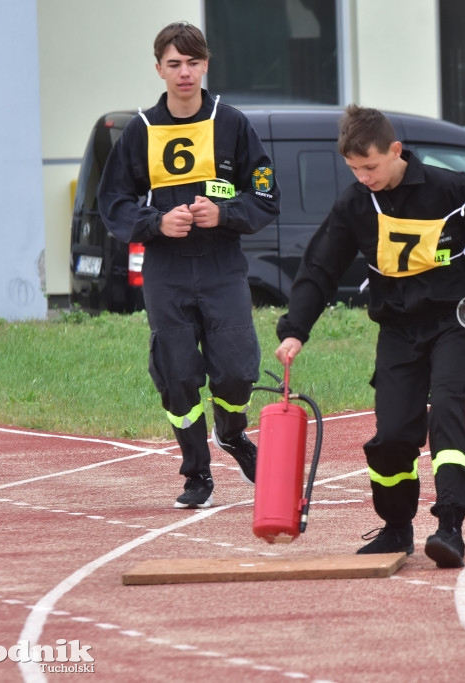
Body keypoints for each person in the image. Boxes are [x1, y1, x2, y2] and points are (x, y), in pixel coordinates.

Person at [275, 104, 465, 568]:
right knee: (393, 434)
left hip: (455, 319)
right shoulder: (355, 204)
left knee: (445, 413)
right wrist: (296, 330)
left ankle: (450, 525)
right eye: (354, 169)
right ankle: (397, 528)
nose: (364, 177)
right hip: (397, 329)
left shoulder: (451, 187)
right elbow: (319, 268)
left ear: (396, 151)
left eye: (371, 166)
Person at [98, 22, 280, 509]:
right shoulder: (140, 130)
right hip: (167, 271)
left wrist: (226, 213)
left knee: (237, 371)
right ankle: (197, 472)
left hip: (222, 267)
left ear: (206, 64)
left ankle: (232, 435)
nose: (184, 73)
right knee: (178, 374)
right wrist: (155, 222)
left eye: (193, 62)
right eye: (174, 64)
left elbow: (265, 196)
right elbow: (113, 202)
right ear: (158, 68)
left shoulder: (233, 123)